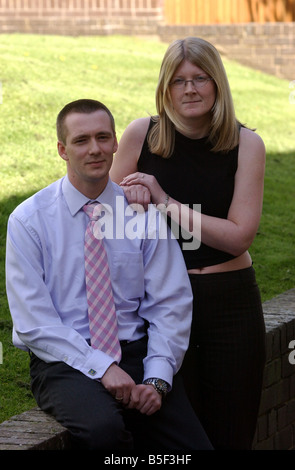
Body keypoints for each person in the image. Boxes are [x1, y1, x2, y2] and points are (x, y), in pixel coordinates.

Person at [5, 99, 213, 451]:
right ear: (62, 149)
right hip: (63, 359)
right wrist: (101, 367)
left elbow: (170, 303)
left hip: (135, 353)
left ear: (116, 143)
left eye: (103, 137)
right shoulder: (29, 220)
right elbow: (33, 323)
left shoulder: (142, 216)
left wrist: (158, 379)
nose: (95, 149)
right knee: (105, 432)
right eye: (81, 140)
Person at [110, 37, 266, 450]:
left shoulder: (246, 144)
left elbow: (238, 236)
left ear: (217, 85)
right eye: (179, 81)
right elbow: (101, 219)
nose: (190, 89)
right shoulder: (141, 135)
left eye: (200, 78)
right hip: (159, 303)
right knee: (174, 433)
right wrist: (129, 199)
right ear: (165, 87)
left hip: (228, 302)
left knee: (232, 430)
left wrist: (163, 201)